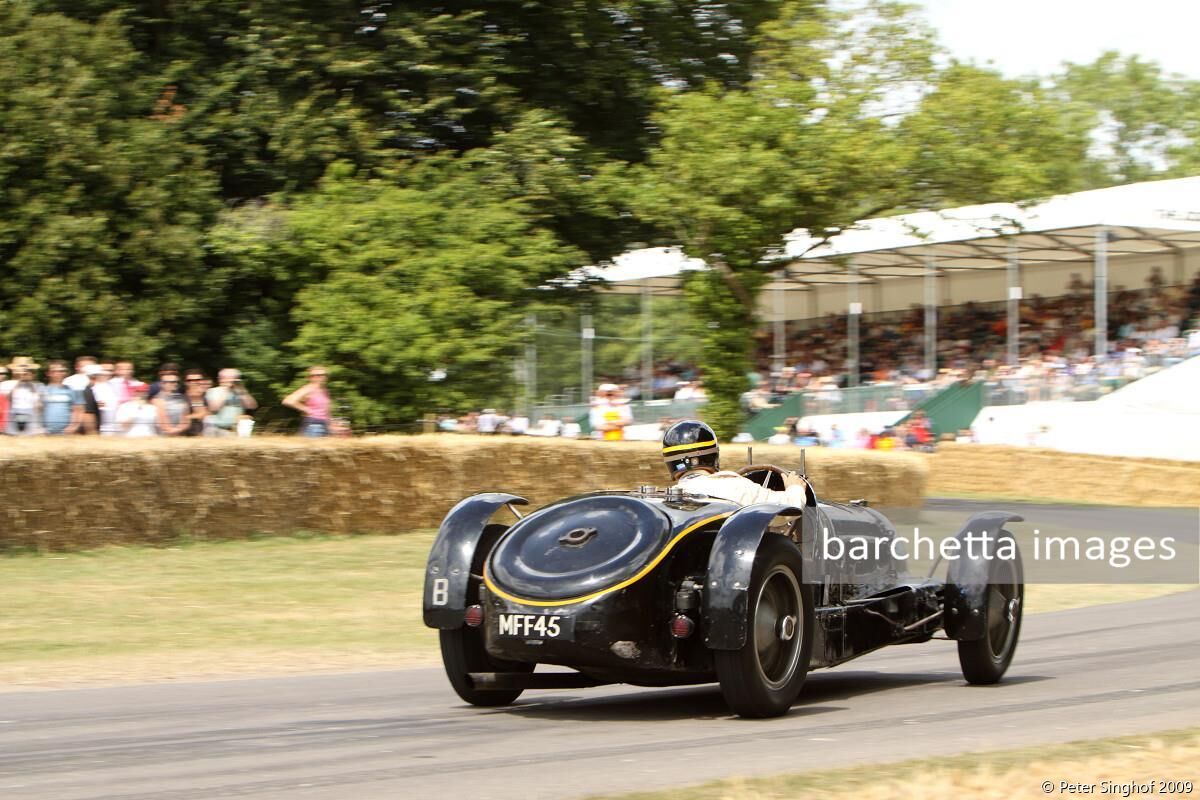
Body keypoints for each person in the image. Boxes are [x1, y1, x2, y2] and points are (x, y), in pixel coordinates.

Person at [662, 419, 810, 507]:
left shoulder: (669, 498)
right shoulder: (735, 487)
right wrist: (795, 488)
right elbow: (786, 509)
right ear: (712, 455)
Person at [282, 366, 332, 437]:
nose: (320, 377)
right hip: (313, 424)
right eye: (316, 375)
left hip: (324, 424)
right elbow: (288, 400)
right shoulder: (308, 388)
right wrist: (306, 409)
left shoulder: (325, 391)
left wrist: (330, 423)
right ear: (310, 378)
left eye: (323, 375)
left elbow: (326, 409)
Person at [205, 368, 256, 436]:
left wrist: (242, 391)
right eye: (226, 378)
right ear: (220, 379)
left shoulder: (241, 392)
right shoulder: (213, 391)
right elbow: (214, 408)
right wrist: (226, 390)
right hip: (216, 429)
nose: (231, 381)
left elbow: (252, 406)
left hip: (234, 430)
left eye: (234, 378)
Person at [41, 360, 83, 435]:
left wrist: (74, 427)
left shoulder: (73, 390)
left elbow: (78, 410)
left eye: (62, 371)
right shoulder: (41, 390)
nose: (59, 373)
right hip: (46, 433)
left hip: (66, 433)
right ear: (48, 373)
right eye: (55, 371)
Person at [4, 357, 44, 435]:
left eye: (27, 369)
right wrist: (19, 381)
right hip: (13, 421)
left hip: (32, 422)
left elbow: (39, 405)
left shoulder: (38, 385)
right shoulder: (6, 384)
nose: (23, 372)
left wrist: (30, 382)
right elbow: (7, 400)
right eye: (20, 368)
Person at [182, 369, 209, 436]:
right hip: (185, 434)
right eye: (190, 380)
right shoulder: (181, 398)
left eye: (198, 380)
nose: (194, 382)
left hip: (200, 433)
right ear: (185, 382)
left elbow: (202, 416)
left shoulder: (203, 397)